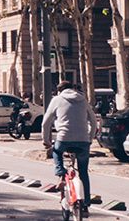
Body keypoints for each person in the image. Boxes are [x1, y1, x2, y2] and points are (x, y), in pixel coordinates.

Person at [42, 81, 98, 209]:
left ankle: (61, 173)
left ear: (59, 90)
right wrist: (90, 138)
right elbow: (94, 121)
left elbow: (46, 122)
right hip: (83, 141)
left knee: (56, 152)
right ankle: (86, 202)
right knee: (83, 171)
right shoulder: (83, 100)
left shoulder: (57, 99)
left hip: (63, 139)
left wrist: (46, 141)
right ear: (72, 89)